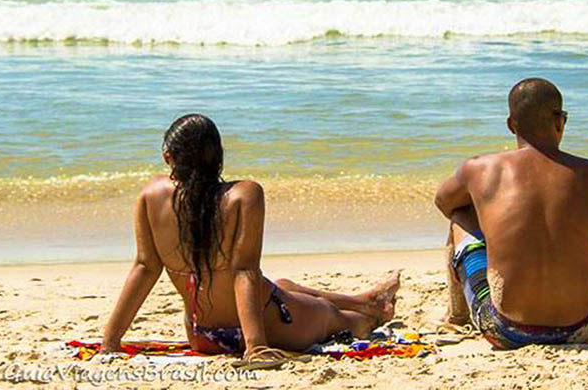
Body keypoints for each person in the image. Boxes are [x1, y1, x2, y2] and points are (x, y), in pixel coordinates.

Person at [102, 114, 399, 360]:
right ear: (218, 154)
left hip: (202, 337)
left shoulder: (150, 195)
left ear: (169, 158)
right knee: (332, 315)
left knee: (284, 286)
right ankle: (371, 313)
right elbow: (244, 272)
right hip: (266, 327)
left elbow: (145, 268)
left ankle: (363, 299)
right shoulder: (243, 195)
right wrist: (255, 346)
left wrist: (111, 340)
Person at [435, 77, 588, 349]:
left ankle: (457, 315)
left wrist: (490, 217)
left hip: (504, 330)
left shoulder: (479, 169)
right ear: (560, 122)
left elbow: (444, 202)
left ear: (510, 125)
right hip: (584, 327)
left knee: (460, 216)